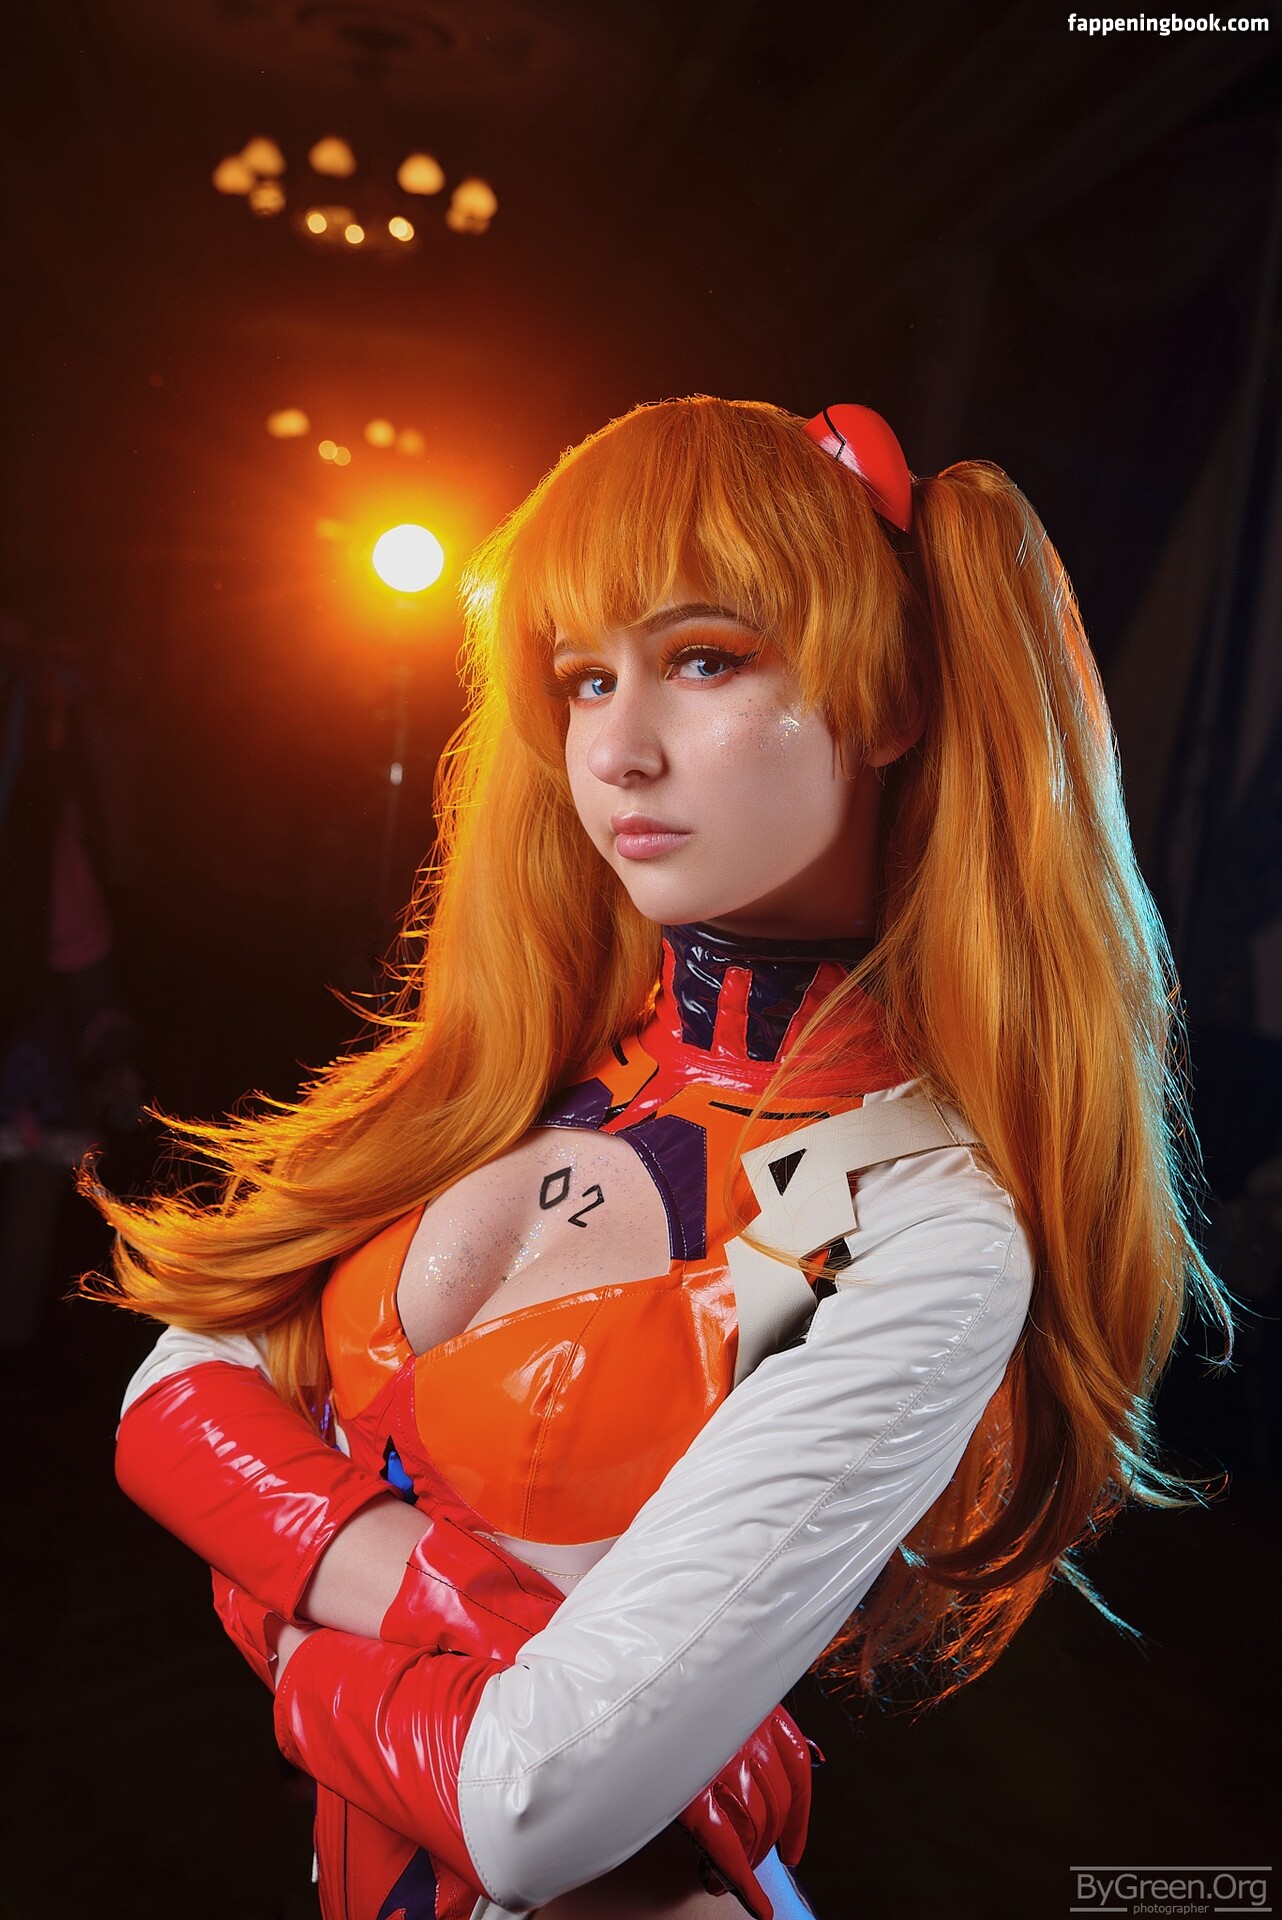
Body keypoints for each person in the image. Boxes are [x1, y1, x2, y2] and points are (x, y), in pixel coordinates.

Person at [90, 398, 1227, 1920]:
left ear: (888, 700)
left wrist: (279, 1625)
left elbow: (524, 1807)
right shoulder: (531, 1064)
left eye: (705, 659)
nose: (618, 751)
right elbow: (172, 1392)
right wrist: (469, 1611)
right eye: (584, 678)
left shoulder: (908, 1215)